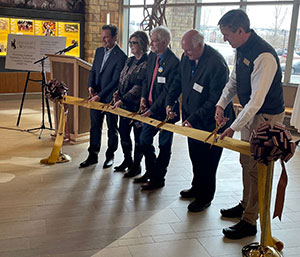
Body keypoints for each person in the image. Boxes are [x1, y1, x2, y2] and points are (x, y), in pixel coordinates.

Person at [215, 9, 285, 239]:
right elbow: (234, 80)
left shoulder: (264, 55)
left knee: (257, 169)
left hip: (266, 119)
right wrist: (220, 103)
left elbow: (256, 101)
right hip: (250, 115)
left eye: (227, 34)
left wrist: (233, 127)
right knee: (246, 162)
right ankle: (246, 205)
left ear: (241, 30)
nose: (225, 39)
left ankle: (250, 221)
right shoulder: (241, 48)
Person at [166, 30, 235, 212]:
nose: (186, 54)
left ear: (200, 45)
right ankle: (197, 187)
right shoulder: (187, 57)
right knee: (195, 156)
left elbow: (215, 100)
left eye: (189, 51)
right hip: (193, 120)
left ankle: (205, 197)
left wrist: (193, 117)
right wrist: (170, 102)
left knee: (208, 162)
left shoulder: (216, 64)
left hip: (212, 122)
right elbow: (178, 82)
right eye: (184, 50)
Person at [133, 26, 180, 190]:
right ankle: (151, 172)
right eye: (151, 40)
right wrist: (143, 97)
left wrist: (152, 110)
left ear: (164, 42)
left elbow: (168, 92)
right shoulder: (152, 56)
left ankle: (159, 178)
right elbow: (147, 79)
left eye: (154, 40)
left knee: (164, 146)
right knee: (144, 140)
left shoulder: (174, 63)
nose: (150, 43)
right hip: (150, 107)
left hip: (166, 112)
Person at [80, 24, 127, 169]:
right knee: (95, 127)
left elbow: (115, 81)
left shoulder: (121, 56)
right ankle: (92, 156)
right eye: (102, 36)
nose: (103, 40)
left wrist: (100, 96)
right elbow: (93, 70)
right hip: (95, 96)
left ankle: (110, 156)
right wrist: (90, 86)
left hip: (109, 99)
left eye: (106, 37)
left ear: (115, 37)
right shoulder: (99, 51)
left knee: (112, 128)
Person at [112, 31, 149, 178]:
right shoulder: (129, 60)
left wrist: (123, 99)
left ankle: (136, 166)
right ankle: (127, 160)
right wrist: (117, 93)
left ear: (142, 44)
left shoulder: (146, 63)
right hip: (124, 106)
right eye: (130, 43)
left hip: (136, 106)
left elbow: (138, 87)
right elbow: (122, 78)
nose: (131, 46)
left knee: (138, 138)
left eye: (134, 43)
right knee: (124, 134)